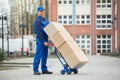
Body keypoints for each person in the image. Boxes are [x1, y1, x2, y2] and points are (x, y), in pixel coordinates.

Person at [33, 6, 53, 75]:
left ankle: (44, 69)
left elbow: (50, 28)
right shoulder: (37, 21)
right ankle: (35, 70)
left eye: (43, 11)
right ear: (38, 12)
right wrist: (44, 41)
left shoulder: (45, 20)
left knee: (45, 55)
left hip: (45, 39)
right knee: (38, 55)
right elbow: (39, 32)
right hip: (40, 39)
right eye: (40, 11)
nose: (42, 12)